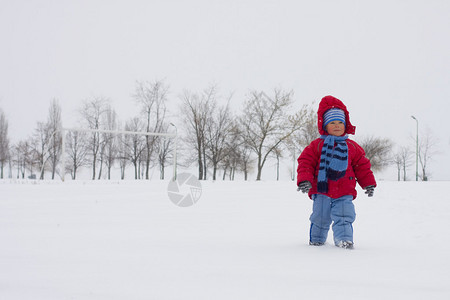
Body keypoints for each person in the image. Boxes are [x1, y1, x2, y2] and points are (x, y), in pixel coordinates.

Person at [297, 95, 376, 249]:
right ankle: (317, 240)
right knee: (320, 217)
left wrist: (368, 184)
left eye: (340, 122)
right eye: (332, 123)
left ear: (345, 124)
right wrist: (304, 180)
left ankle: (344, 240)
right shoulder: (317, 145)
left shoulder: (352, 147)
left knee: (344, 216)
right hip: (321, 190)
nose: (337, 125)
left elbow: (362, 167)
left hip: (344, 191)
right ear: (325, 125)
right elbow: (305, 162)